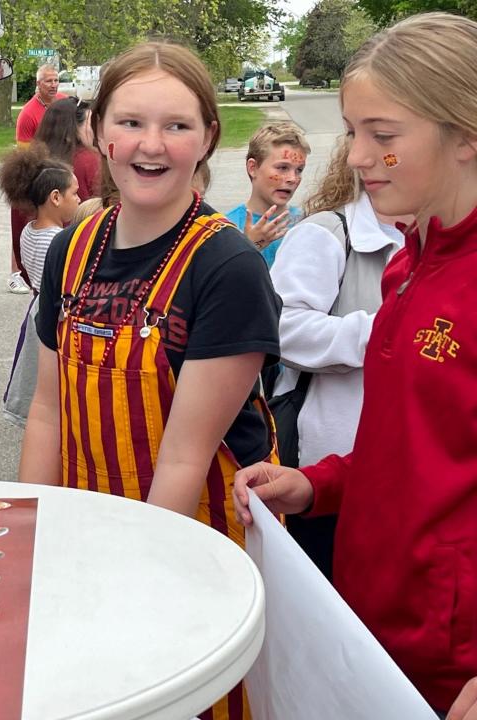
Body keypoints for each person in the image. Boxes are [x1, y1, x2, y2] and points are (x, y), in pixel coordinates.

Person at [18, 40, 280, 720]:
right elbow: (47, 414)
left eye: (177, 125)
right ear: (98, 131)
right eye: (130, 122)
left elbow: (185, 458)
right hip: (91, 535)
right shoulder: (75, 246)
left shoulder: (225, 267)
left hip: (191, 547)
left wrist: (132, 590)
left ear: (209, 139)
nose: (150, 144)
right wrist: (32, 545)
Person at [233, 13, 477, 717]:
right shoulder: (412, 261)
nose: (359, 157)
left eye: (385, 136)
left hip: (449, 656)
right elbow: (409, 446)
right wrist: (316, 485)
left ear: (465, 133)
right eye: (353, 131)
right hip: (373, 624)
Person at [267, 136, 404, 579]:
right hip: (328, 469)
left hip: (405, 475)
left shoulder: (434, 237)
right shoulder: (328, 232)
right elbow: (281, 329)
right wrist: (386, 331)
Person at [0, 151, 81, 426]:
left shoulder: (29, 231)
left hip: (36, 309)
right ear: (56, 198)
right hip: (53, 316)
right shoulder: (58, 240)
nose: (78, 200)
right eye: (75, 194)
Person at [8, 63, 67, 294]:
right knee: (23, 223)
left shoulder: (63, 103)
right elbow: (24, 157)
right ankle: (15, 273)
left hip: (61, 172)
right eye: (48, 81)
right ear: (37, 84)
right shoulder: (28, 114)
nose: (53, 85)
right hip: (37, 175)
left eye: (55, 81)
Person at [225, 122, 311, 267]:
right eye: (282, 167)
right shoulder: (227, 228)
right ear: (253, 168)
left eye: (299, 170)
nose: (292, 178)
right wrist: (250, 246)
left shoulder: (306, 224)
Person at [32, 96, 101, 202]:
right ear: (72, 128)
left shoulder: (32, 164)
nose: (96, 128)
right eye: (91, 123)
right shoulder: (88, 160)